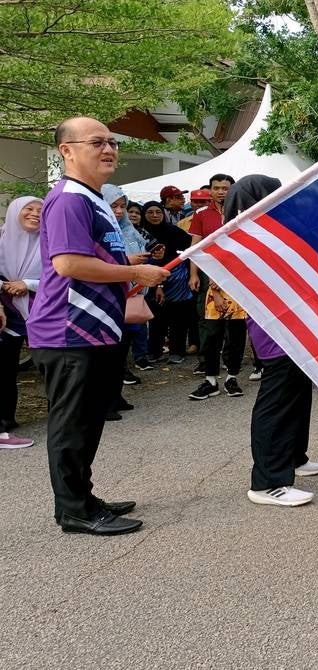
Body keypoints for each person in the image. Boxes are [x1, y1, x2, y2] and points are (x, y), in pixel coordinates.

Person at [29, 116, 168, 536]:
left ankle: (85, 498)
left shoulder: (93, 199)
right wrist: (135, 277)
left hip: (95, 329)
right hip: (69, 331)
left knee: (88, 422)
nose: (108, 149)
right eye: (96, 142)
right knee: (73, 425)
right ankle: (73, 510)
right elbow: (68, 264)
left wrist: (129, 264)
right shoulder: (70, 198)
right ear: (67, 151)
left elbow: (91, 258)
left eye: (112, 142)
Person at [213, 175, 318, 506]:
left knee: (298, 393)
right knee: (277, 400)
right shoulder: (242, 237)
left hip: (296, 325)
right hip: (276, 330)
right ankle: (268, 482)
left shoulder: (265, 231)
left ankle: (293, 456)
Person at [188, 173, 247, 400]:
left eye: (225, 188)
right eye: (217, 188)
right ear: (210, 190)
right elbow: (195, 246)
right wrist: (193, 274)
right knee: (210, 331)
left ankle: (232, 377)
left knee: (236, 331)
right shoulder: (201, 214)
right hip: (209, 278)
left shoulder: (243, 213)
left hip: (237, 279)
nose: (221, 191)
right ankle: (210, 379)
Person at [0, 197, 44, 448]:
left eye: (40, 210)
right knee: (5, 368)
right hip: (5, 312)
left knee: (51, 364)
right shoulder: (1, 238)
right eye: (29, 209)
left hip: (42, 310)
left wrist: (26, 284)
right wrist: (5, 286)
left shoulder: (50, 241)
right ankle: (6, 420)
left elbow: (60, 275)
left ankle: (64, 415)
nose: (35, 214)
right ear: (16, 210)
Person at [101, 184, 153, 390]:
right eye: (113, 206)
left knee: (126, 340)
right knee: (112, 345)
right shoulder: (99, 230)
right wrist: (127, 261)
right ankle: (111, 391)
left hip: (134, 294)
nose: (119, 211)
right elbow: (97, 262)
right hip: (110, 295)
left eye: (123, 206)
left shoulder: (130, 231)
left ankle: (117, 387)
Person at [139, 201, 193, 366]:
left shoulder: (174, 231)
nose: (155, 216)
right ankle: (154, 350)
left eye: (158, 212)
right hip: (148, 279)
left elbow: (189, 248)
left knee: (177, 316)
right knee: (156, 317)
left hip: (176, 279)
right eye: (150, 212)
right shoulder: (140, 234)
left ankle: (177, 351)